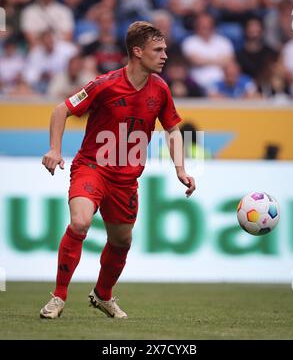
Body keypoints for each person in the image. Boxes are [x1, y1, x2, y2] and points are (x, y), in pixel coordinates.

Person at [40, 21, 196, 319]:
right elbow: (61, 110)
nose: (165, 55)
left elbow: (173, 131)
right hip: (92, 168)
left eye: (165, 49)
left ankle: (102, 294)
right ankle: (58, 297)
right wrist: (55, 150)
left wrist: (180, 168)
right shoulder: (104, 84)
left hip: (126, 180)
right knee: (80, 223)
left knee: (121, 241)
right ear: (137, 52)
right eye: (158, 50)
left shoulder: (161, 90)